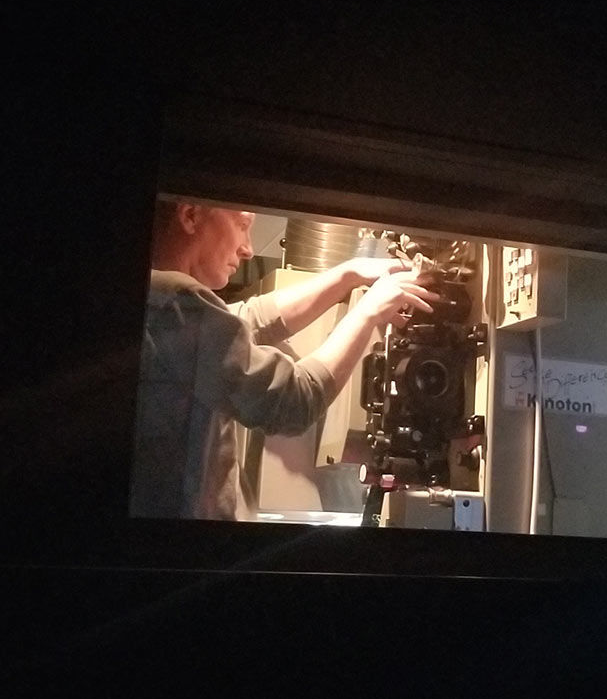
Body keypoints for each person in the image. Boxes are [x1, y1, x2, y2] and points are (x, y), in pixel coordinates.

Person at [130, 200, 437, 520]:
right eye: (243, 224)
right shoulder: (172, 304)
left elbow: (247, 319)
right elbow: (293, 400)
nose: (247, 249)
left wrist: (347, 275)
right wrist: (369, 311)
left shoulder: (160, 302)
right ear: (191, 215)